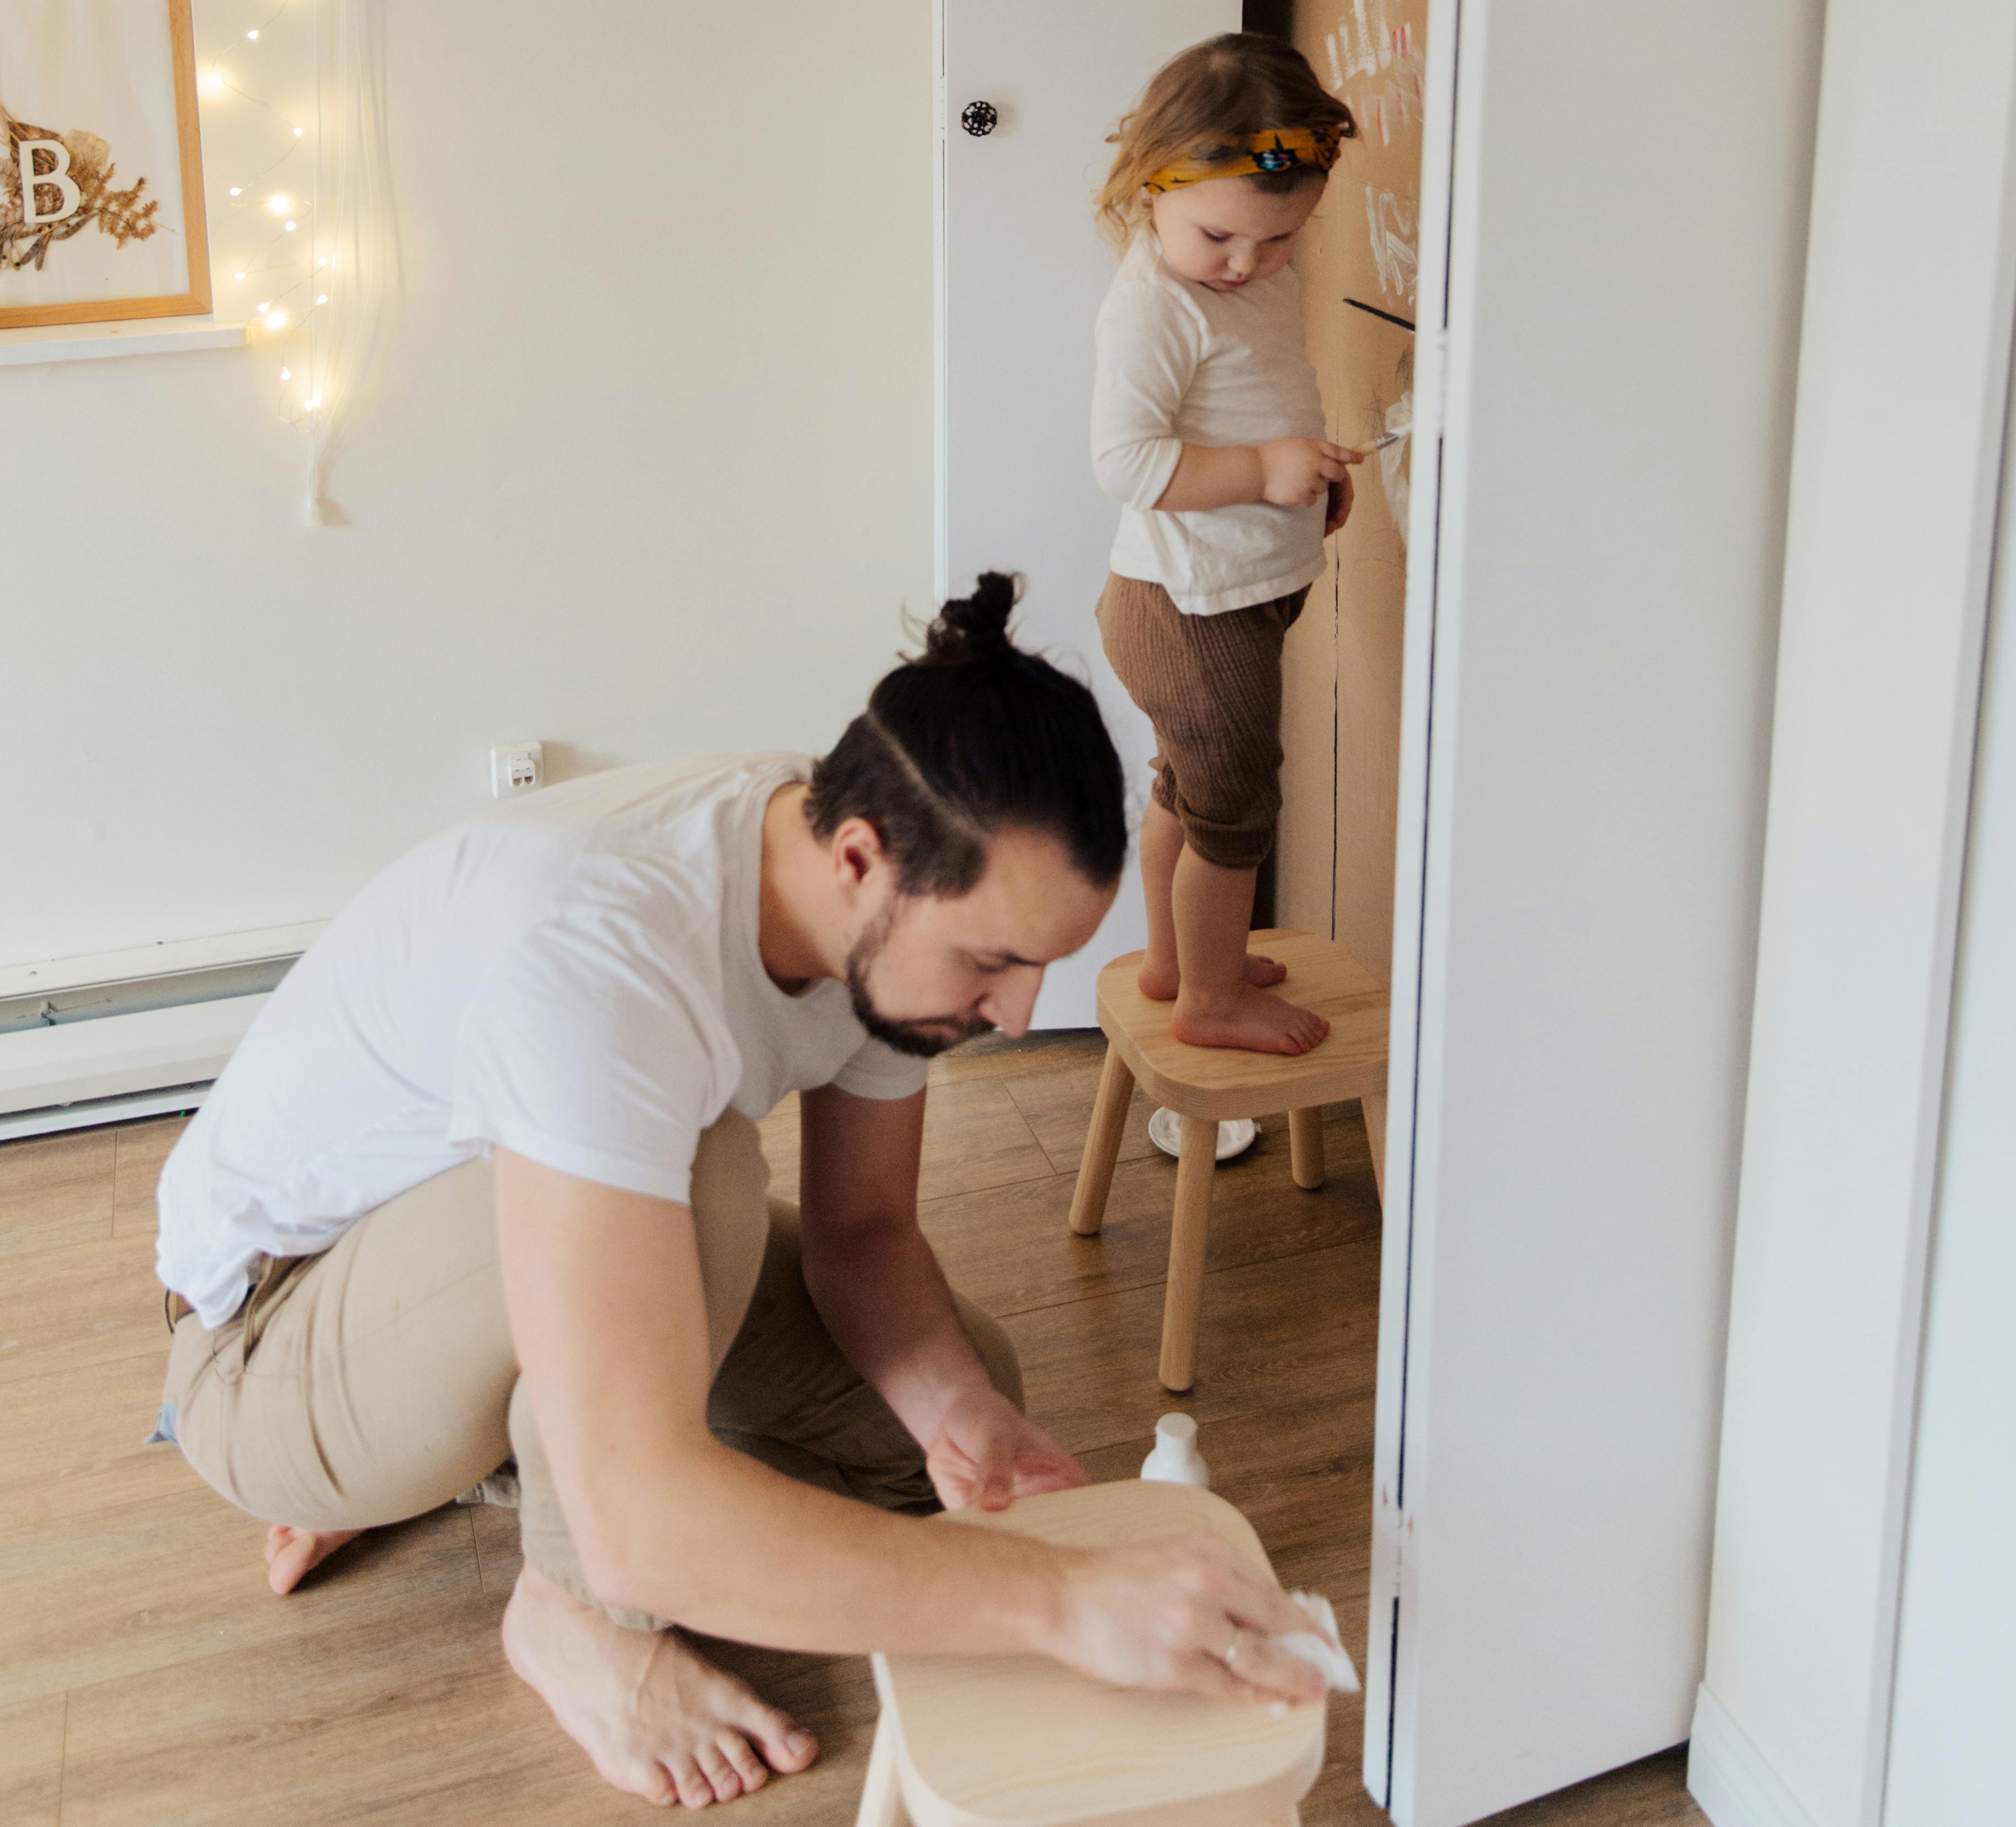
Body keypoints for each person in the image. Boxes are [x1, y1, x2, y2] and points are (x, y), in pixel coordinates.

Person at [153, 575, 1322, 1810]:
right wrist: (1066, 1601)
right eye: (993, 962)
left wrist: (956, 1410)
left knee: (942, 1406)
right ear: (862, 862)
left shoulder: (856, 870)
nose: (1019, 1015)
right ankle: (566, 1620)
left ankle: (513, 1445)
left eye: (1038, 968)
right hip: (262, 1346)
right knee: (702, 1180)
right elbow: (645, 1526)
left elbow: (864, 1239)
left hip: (450, 1258)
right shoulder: (602, 953)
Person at [1091, 35, 1362, 1058]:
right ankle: (1209, 1000)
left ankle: (1178, 963)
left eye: (1280, 239)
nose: (1246, 263)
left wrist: (1303, 475)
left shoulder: (1243, 275)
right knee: (1234, 815)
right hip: (1189, 607)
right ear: (1148, 182)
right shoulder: (1151, 305)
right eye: (1219, 237)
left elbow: (1256, 401)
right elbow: (1126, 462)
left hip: (1232, 588)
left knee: (1188, 786)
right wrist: (1261, 475)